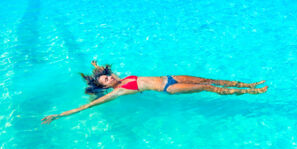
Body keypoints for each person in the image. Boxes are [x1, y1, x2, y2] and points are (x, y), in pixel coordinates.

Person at [41, 61, 268, 124]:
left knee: (208, 79)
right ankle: (252, 93)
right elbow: (87, 106)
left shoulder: (120, 77)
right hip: (169, 87)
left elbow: (103, 72)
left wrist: (95, 67)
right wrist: (58, 115)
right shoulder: (117, 91)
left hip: (170, 76)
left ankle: (247, 84)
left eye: (107, 75)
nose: (109, 78)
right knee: (209, 88)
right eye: (105, 79)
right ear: (104, 87)